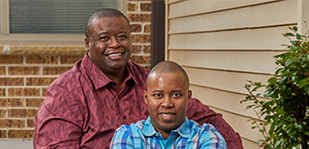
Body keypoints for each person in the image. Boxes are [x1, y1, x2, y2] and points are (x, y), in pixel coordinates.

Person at [33, 8, 243, 149]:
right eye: (104, 38)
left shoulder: (149, 81)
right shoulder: (66, 92)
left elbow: (206, 118)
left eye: (122, 37)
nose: (115, 44)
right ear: (87, 43)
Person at [110, 61, 227, 149]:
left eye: (176, 95)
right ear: (146, 98)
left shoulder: (206, 137)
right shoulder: (127, 136)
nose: (167, 103)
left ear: (188, 97)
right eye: (158, 95)